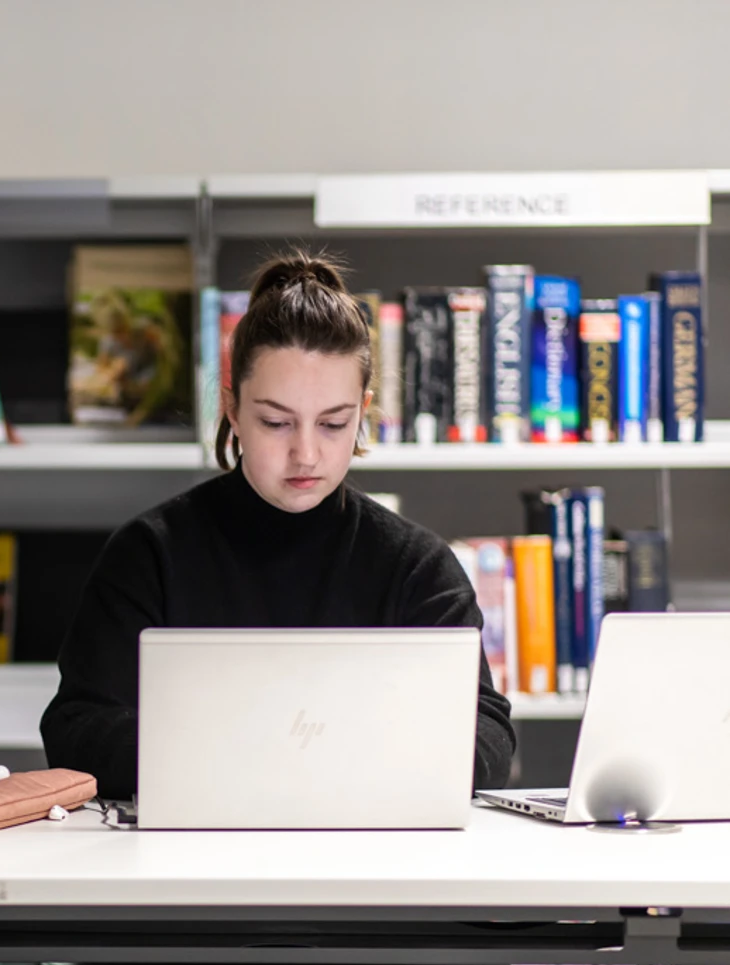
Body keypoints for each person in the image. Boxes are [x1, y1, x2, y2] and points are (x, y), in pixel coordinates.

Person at [40, 250, 515, 801]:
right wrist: (281, 753)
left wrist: (259, 751)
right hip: (190, 869)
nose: (306, 454)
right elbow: (76, 732)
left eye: (334, 424)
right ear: (232, 410)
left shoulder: (417, 567)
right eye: (275, 421)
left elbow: (489, 740)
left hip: (373, 871)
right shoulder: (149, 555)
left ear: (362, 411)